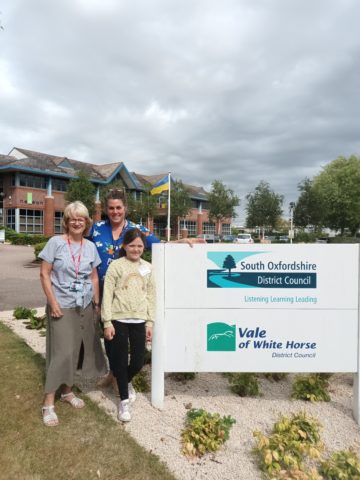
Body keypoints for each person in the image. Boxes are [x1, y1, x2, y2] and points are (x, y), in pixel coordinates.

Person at [39, 201, 106, 427]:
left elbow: (94, 277)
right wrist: (53, 302)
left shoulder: (90, 246)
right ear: (66, 221)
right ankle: (49, 402)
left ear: (86, 222)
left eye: (81, 218)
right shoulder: (55, 243)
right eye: (72, 218)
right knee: (62, 352)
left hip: (84, 305)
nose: (77, 222)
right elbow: (44, 274)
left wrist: (96, 303)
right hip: (62, 304)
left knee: (77, 351)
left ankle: (67, 391)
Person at [101, 228, 155, 421]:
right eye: (132, 245)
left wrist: (150, 322)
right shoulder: (116, 266)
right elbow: (107, 294)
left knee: (138, 361)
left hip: (140, 320)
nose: (136, 249)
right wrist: (107, 321)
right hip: (119, 319)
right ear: (124, 246)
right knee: (120, 359)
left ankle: (124, 379)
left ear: (144, 247)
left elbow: (151, 296)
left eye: (140, 246)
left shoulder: (148, 268)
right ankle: (123, 402)